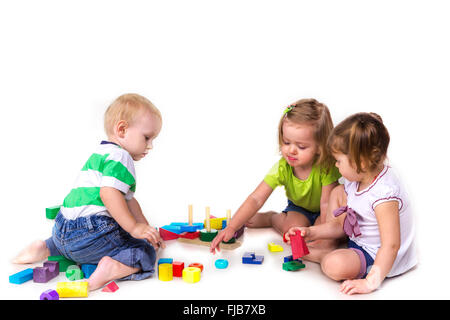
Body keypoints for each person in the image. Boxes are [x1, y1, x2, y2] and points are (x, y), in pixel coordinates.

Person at [13, 93, 165, 290]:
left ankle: (43, 248)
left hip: (61, 231)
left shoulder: (100, 154)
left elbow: (129, 201)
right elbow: (109, 194)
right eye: (147, 137)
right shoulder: (121, 157)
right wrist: (135, 229)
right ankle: (111, 267)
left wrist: (145, 226)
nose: (150, 146)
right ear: (122, 129)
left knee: (71, 241)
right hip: (92, 235)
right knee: (145, 252)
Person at [285, 112, 418, 295]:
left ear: (361, 162)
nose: (336, 165)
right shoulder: (360, 176)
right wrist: (310, 231)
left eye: (339, 161)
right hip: (359, 237)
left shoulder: (384, 196)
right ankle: (331, 246)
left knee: (333, 265)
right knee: (337, 191)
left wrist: (371, 282)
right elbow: (339, 225)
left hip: (379, 255)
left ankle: (322, 254)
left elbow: (391, 245)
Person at [211, 98, 341, 253]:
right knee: (291, 228)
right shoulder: (282, 167)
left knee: (322, 233)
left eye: (301, 146)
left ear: (320, 147)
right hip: (299, 208)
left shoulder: (325, 167)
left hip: (325, 210)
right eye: (286, 142)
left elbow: (326, 204)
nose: (291, 150)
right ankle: (271, 218)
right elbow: (256, 198)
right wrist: (232, 226)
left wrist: (322, 233)